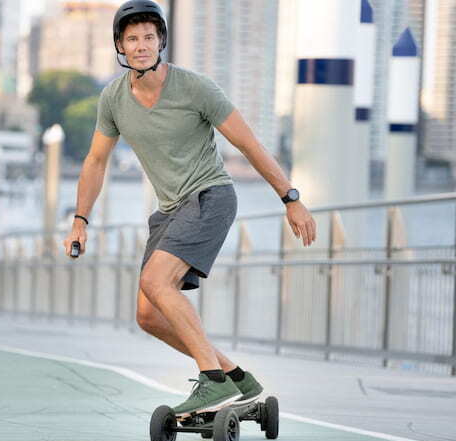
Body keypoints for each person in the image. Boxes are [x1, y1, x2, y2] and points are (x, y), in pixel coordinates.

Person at [63, 0, 317, 419]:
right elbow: (95, 161)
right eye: (132, 39)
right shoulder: (113, 99)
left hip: (210, 196)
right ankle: (236, 378)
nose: (141, 45)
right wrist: (79, 220)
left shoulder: (195, 87)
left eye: (148, 37)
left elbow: (248, 144)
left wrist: (291, 199)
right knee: (148, 314)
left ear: (160, 41)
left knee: (155, 280)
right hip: (169, 211)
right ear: (120, 47)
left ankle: (211, 383)